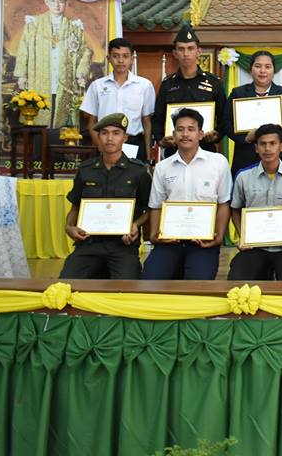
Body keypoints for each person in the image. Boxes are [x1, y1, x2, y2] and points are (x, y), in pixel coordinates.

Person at [144, 108, 232, 280]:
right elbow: (156, 205)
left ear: (200, 134)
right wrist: (154, 236)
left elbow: (223, 203)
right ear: (173, 135)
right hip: (169, 241)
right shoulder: (163, 167)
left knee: (197, 285)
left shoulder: (218, 162)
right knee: (150, 280)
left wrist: (219, 237)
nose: (185, 134)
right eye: (180, 129)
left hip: (203, 241)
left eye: (191, 129)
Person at [61, 113, 151, 279]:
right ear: (98, 137)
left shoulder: (138, 172)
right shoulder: (86, 170)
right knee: (66, 284)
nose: (110, 138)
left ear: (125, 138)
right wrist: (69, 227)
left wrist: (135, 225)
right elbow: (75, 207)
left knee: (127, 288)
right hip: (89, 244)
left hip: (122, 245)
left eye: (116, 133)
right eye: (104, 133)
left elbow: (149, 210)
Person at [228, 123, 282, 281]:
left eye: (273, 143)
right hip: (254, 247)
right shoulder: (243, 176)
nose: (267, 149)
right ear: (256, 148)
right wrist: (242, 236)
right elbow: (235, 209)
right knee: (236, 282)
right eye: (262, 144)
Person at [14, 0, 94, 127]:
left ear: (65, 3)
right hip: (40, 77)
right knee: (38, 111)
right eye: (53, 1)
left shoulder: (74, 27)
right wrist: (22, 75)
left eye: (61, 1)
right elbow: (23, 49)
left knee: (63, 117)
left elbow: (85, 51)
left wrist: (80, 73)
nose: (57, 5)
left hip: (64, 80)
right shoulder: (34, 24)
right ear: (46, 2)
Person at [152, 27, 227, 159]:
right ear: (175, 53)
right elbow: (157, 118)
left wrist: (217, 135)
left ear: (199, 51)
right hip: (174, 151)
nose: (186, 53)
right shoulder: (167, 84)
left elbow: (224, 117)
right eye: (181, 49)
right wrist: (161, 140)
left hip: (205, 149)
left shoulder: (214, 83)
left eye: (190, 48)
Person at [223, 50, 282, 176]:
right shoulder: (238, 93)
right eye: (258, 66)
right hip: (246, 156)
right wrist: (246, 138)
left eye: (268, 67)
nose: (262, 71)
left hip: (279, 158)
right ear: (250, 69)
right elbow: (226, 123)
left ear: (274, 70)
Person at [80, 37, 155, 161]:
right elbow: (91, 122)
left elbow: (147, 122)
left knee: (134, 173)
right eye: (115, 56)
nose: (120, 61)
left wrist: (148, 156)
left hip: (134, 142)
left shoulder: (144, 85)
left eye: (125, 56)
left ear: (132, 59)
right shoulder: (97, 86)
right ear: (108, 58)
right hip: (106, 143)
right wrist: (99, 146)